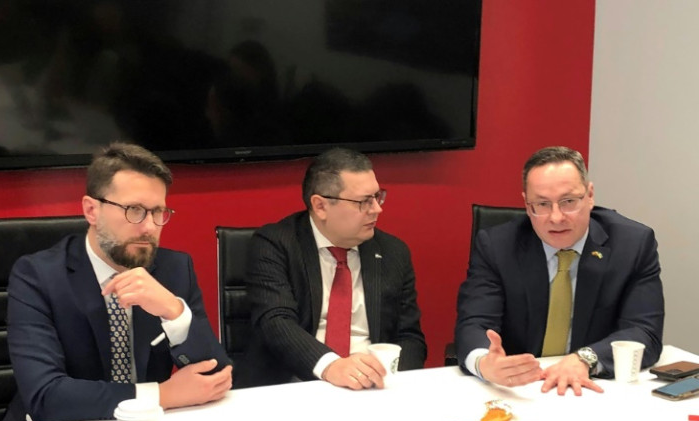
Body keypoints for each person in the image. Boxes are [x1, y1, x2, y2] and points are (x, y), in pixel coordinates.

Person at [0, 143, 232, 421]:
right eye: (134, 211)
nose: (148, 227)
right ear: (92, 210)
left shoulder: (173, 269)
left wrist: (174, 313)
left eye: (159, 212)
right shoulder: (38, 276)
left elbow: (217, 376)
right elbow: (45, 397)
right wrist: (161, 394)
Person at [454, 146, 664, 395]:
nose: (556, 217)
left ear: (590, 195)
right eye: (541, 204)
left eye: (568, 202)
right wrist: (484, 363)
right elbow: (474, 324)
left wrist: (585, 358)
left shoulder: (633, 245)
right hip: (520, 390)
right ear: (526, 203)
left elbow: (644, 332)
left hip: (593, 388)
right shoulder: (497, 246)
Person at [244, 147, 426, 389]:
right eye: (364, 201)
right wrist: (331, 366)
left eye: (378, 196)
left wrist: (388, 379)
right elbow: (276, 322)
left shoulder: (393, 251)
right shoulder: (275, 244)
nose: (377, 209)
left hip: (372, 387)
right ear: (320, 206)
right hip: (298, 383)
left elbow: (410, 339)